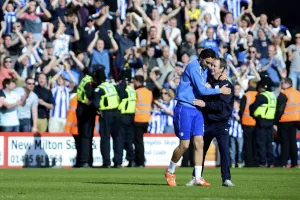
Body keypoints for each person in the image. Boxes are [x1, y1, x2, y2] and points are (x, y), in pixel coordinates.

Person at [164, 49, 231, 187]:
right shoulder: (193, 67)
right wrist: (220, 90)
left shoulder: (204, 68)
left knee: (199, 143)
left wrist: (223, 76)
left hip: (197, 109)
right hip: (185, 107)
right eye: (207, 62)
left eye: (211, 64)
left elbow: (213, 77)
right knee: (184, 145)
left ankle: (198, 178)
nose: (209, 66)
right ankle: (170, 171)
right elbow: (202, 90)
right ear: (201, 58)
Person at [187, 58, 235, 187]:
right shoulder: (208, 81)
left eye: (215, 66)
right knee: (200, 150)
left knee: (224, 151)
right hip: (207, 122)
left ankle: (226, 179)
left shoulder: (226, 84)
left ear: (222, 69)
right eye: (212, 65)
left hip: (221, 123)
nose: (212, 67)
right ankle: (195, 177)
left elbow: (221, 106)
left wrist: (204, 104)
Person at [92, 67, 122, 168]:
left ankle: (106, 162)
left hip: (106, 114)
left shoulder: (99, 89)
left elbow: (95, 104)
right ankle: (118, 162)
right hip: (117, 113)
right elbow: (122, 94)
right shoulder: (112, 86)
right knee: (117, 137)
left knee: (105, 138)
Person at [250, 77, 276, 168]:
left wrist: (253, 114)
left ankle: (262, 162)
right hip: (270, 121)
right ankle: (270, 162)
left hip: (261, 121)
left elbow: (253, 107)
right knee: (269, 143)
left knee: (261, 142)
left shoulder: (261, 96)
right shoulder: (272, 96)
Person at [76, 68, 100, 168]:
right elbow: (89, 97)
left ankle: (85, 160)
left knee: (84, 136)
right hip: (85, 110)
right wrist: (97, 107)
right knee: (87, 136)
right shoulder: (90, 83)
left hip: (81, 108)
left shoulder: (85, 79)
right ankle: (85, 160)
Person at [277, 78, 300, 168]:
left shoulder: (284, 93)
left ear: (286, 83)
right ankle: (294, 163)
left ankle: (283, 163)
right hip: (295, 120)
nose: (281, 85)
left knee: (285, 142)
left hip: (284, 120)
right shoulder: (298, 93)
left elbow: (280, 109)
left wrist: (275, 121)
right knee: (293, 142)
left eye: (282, 83)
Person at [117, 68, 137, 167]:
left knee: (120, 139)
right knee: (129, 139)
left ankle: (119, 161)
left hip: (122, 115)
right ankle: (131, 160)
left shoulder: (123, 89)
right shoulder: (132, 90)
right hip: (131, 116)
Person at [133, 75, 153, 167]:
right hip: (146, 119)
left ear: (137, 81)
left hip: (138, 119)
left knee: (138, 142)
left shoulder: (136, 92)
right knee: (140, 142)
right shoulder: (149, 92)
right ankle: (140, 161)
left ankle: (139, 162)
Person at [240, 80, 259, 167]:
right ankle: (256, 161)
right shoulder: (259, 94)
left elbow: (242, 110)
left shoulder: (246, 95)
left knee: (248, 143)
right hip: (256, 122)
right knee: (255, 143)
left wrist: (241, 120)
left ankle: (248, 162)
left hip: (246, 122)